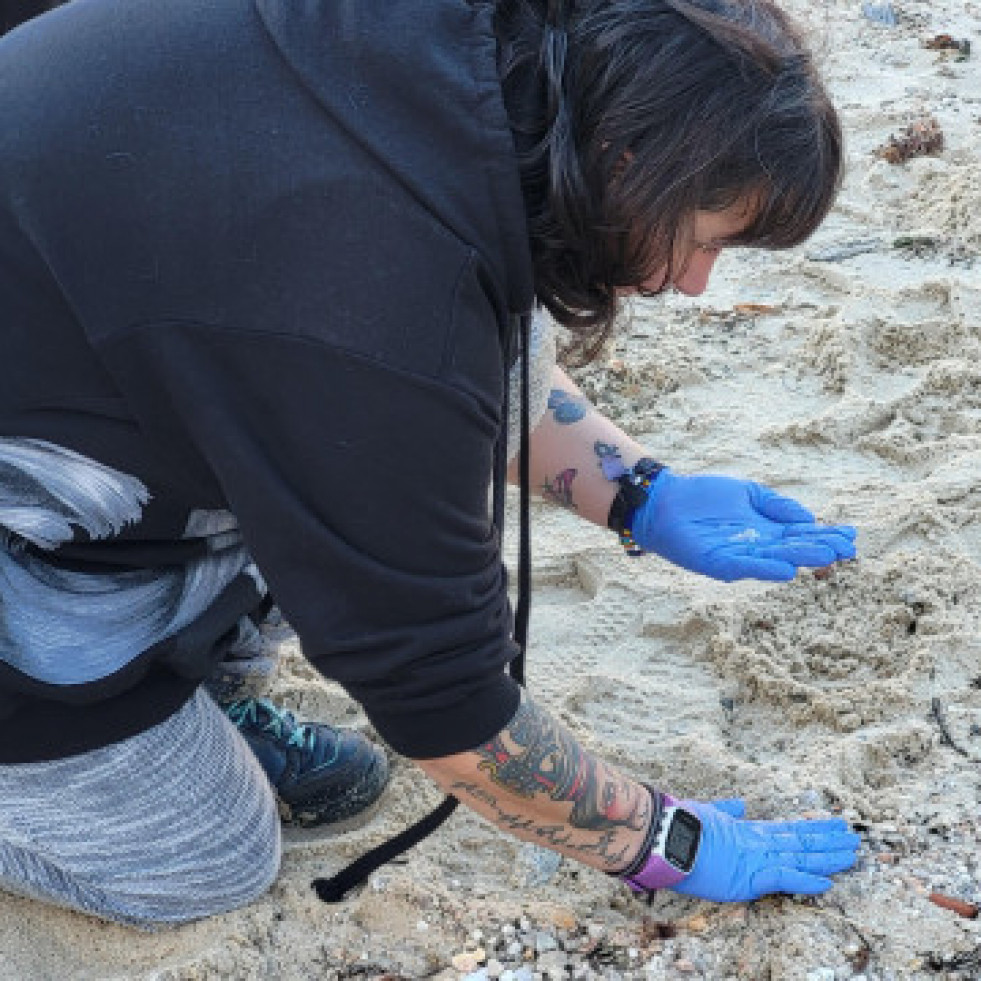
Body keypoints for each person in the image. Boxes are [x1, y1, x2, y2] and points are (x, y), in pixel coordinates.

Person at [0, 0, 860, 929]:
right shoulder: (365, 303)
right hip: (34, 520)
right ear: (627, 163)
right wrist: (664, 842)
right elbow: (445, 704)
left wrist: (636, 490)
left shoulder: (483, 66)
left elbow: (475, 349)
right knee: (205, 861)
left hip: (86, 363)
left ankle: (188, 686)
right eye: (705, 241)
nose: (693, 285)